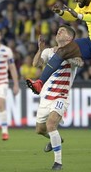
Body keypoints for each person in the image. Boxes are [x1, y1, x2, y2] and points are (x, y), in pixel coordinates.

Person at [31, 25, 83, 171]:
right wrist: (40, 49)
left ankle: (58, 163)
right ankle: (57, 139)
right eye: (58, 30)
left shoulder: (74, 52)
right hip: (46, 96)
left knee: (51, 124)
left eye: (63, 30)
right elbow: (36, 64)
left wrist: (69, 58)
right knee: (40, 130)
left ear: (69, 38)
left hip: (61, 96)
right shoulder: (49, 51)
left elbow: (80, 62)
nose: (59, 31)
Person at [0, 28, 20, 141]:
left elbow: (12, 67)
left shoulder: (7, 51)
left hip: (2, 82)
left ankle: (5, 132)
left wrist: (16, 84)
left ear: (0, 37)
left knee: (1, 104)